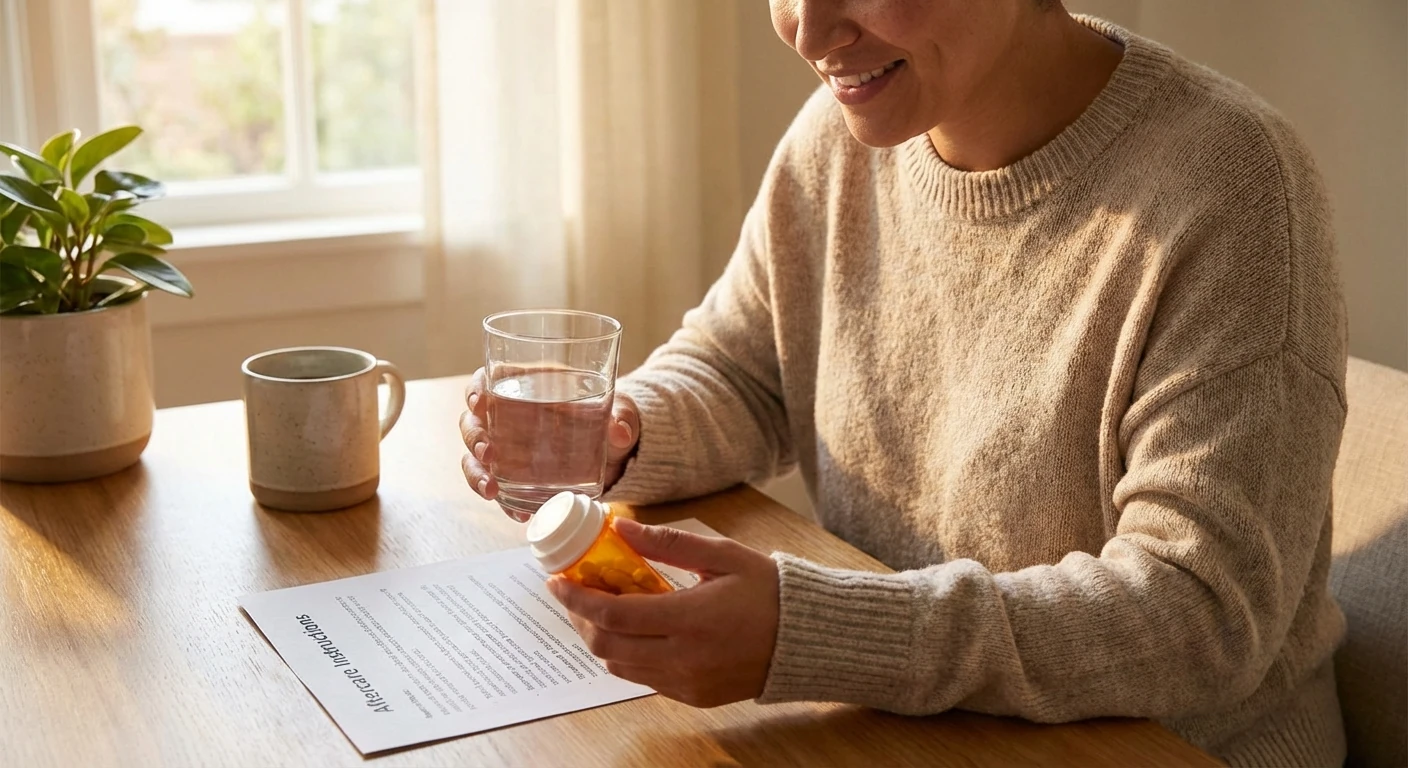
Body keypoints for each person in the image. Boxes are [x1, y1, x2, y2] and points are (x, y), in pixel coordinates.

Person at [459, 2, 1348, 765]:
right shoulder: (841, 136)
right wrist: (622, 429)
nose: (810, 32)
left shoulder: (1232, 185)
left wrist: (814, 634)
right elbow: (742, 369)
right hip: (914, 729)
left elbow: (1197, 615)